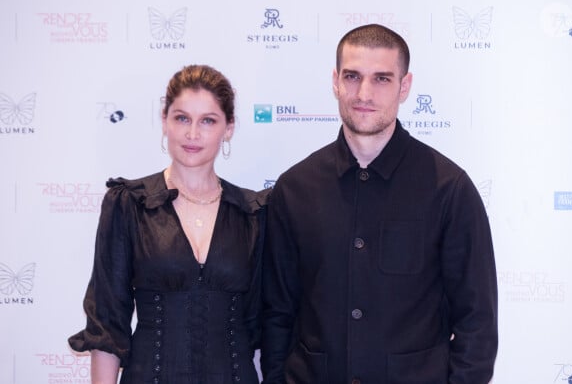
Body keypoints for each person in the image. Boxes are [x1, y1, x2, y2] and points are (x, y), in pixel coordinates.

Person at [261, 24, 498, 383]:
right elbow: (277, 313)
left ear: (405, 87)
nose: (364, 93)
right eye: (352, 76)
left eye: (382, 79)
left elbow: (477, 321)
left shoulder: (450, 190)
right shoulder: (295, 188)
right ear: (335, 82)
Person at [69, 65, 268, 384]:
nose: (192, 134)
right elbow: (108, 323)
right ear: (164, 121)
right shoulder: (128, 204)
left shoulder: (254, 213)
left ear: (228, 128)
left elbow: (261, 330)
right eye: (181, 118)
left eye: (208, 120)